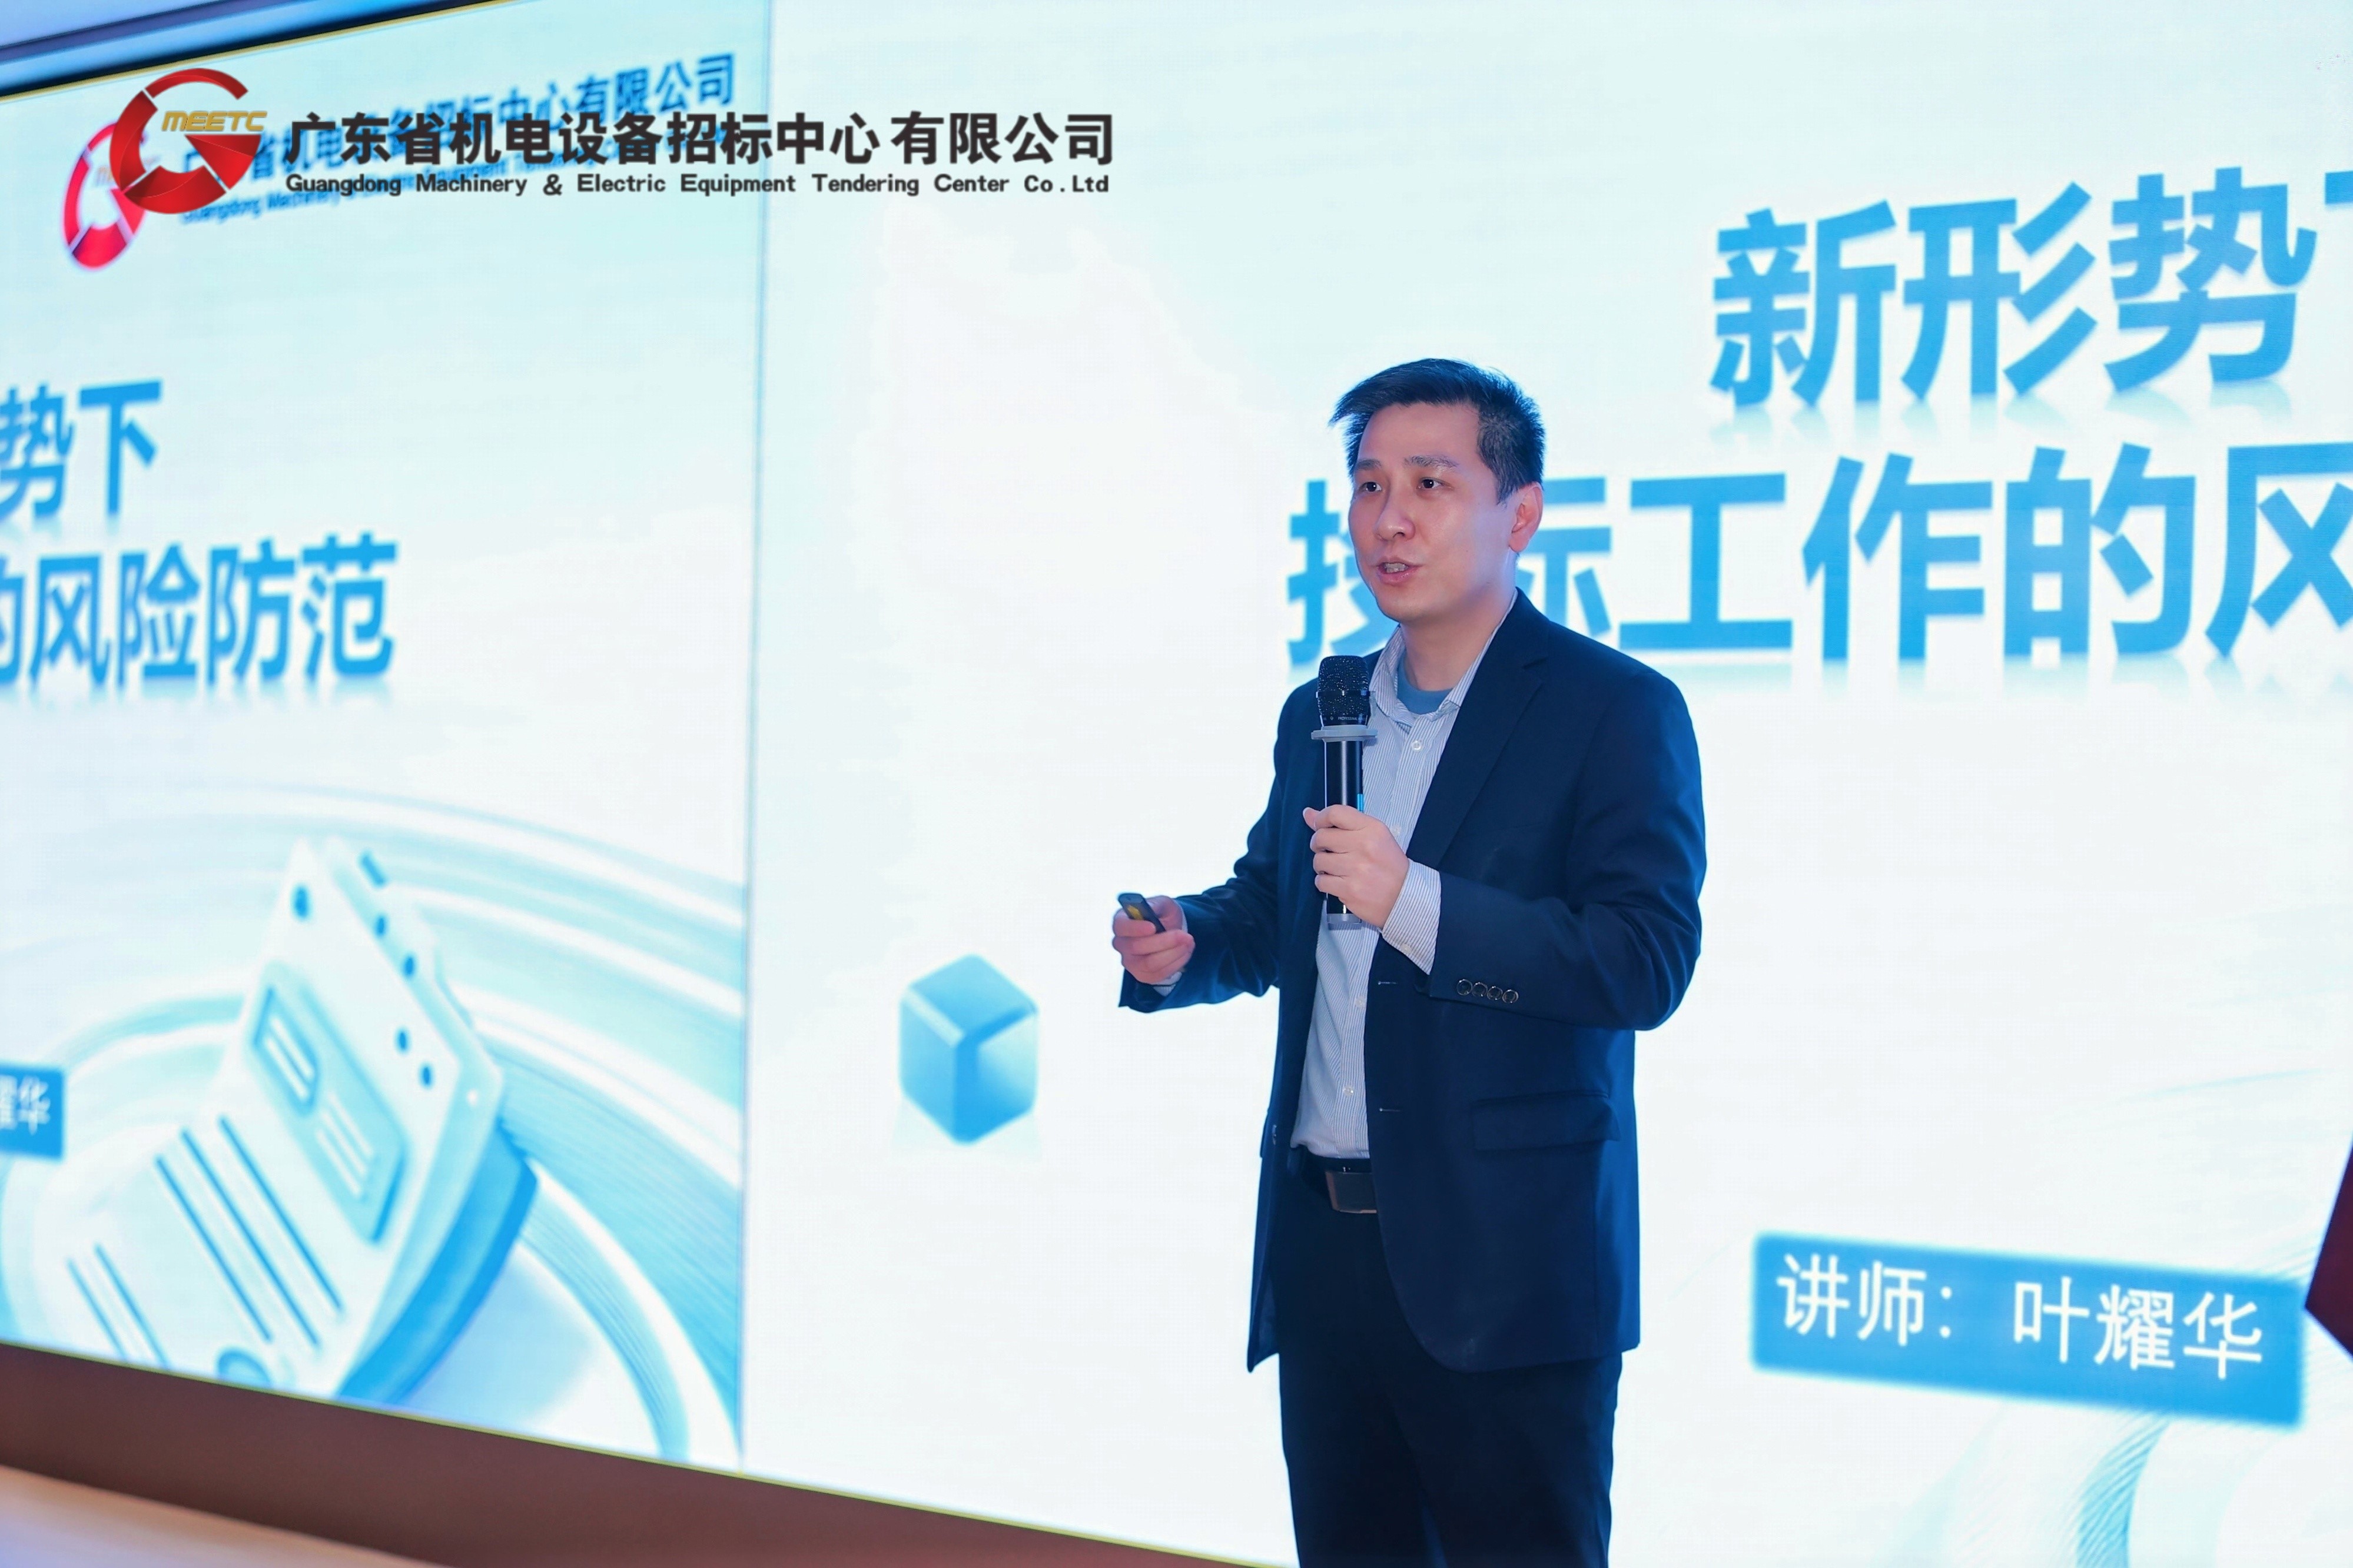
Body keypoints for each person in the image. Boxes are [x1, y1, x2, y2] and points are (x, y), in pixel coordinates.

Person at [1111, 360, 1705, 1567]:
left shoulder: (1610, 710)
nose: (1389, 518)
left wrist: (1416, 903)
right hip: (1326, 1251)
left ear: (1519, 514)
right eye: (1369, 484)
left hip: (1505, 1268)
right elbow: (1277, 907)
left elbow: (1641, 962)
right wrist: (1187, 945)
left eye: (1430, 484)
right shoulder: (1322, 709)